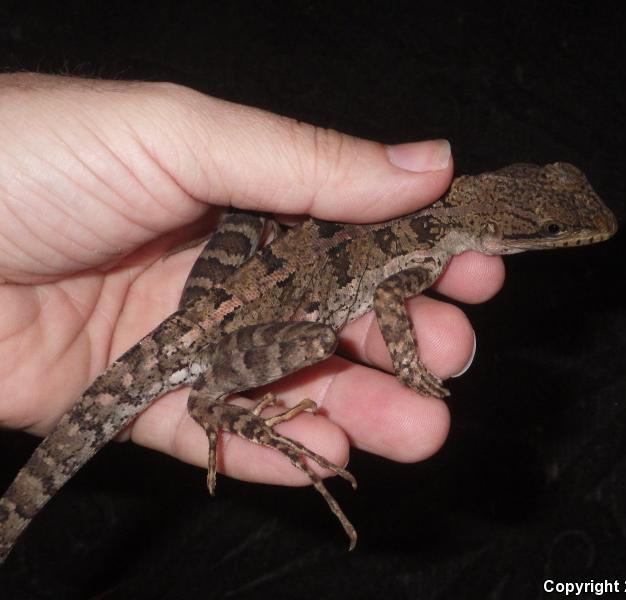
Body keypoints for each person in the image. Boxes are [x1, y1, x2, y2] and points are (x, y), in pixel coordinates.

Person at [0, 72, 505, 488]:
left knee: (249, 215)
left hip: (210, 310)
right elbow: (391, 291)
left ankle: (209, 383)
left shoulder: (425, 213)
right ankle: (208, 393)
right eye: (551, 232)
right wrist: (409, 363)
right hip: (214, 337)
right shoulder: (428, 240)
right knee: (317, 340)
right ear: (495, 232)